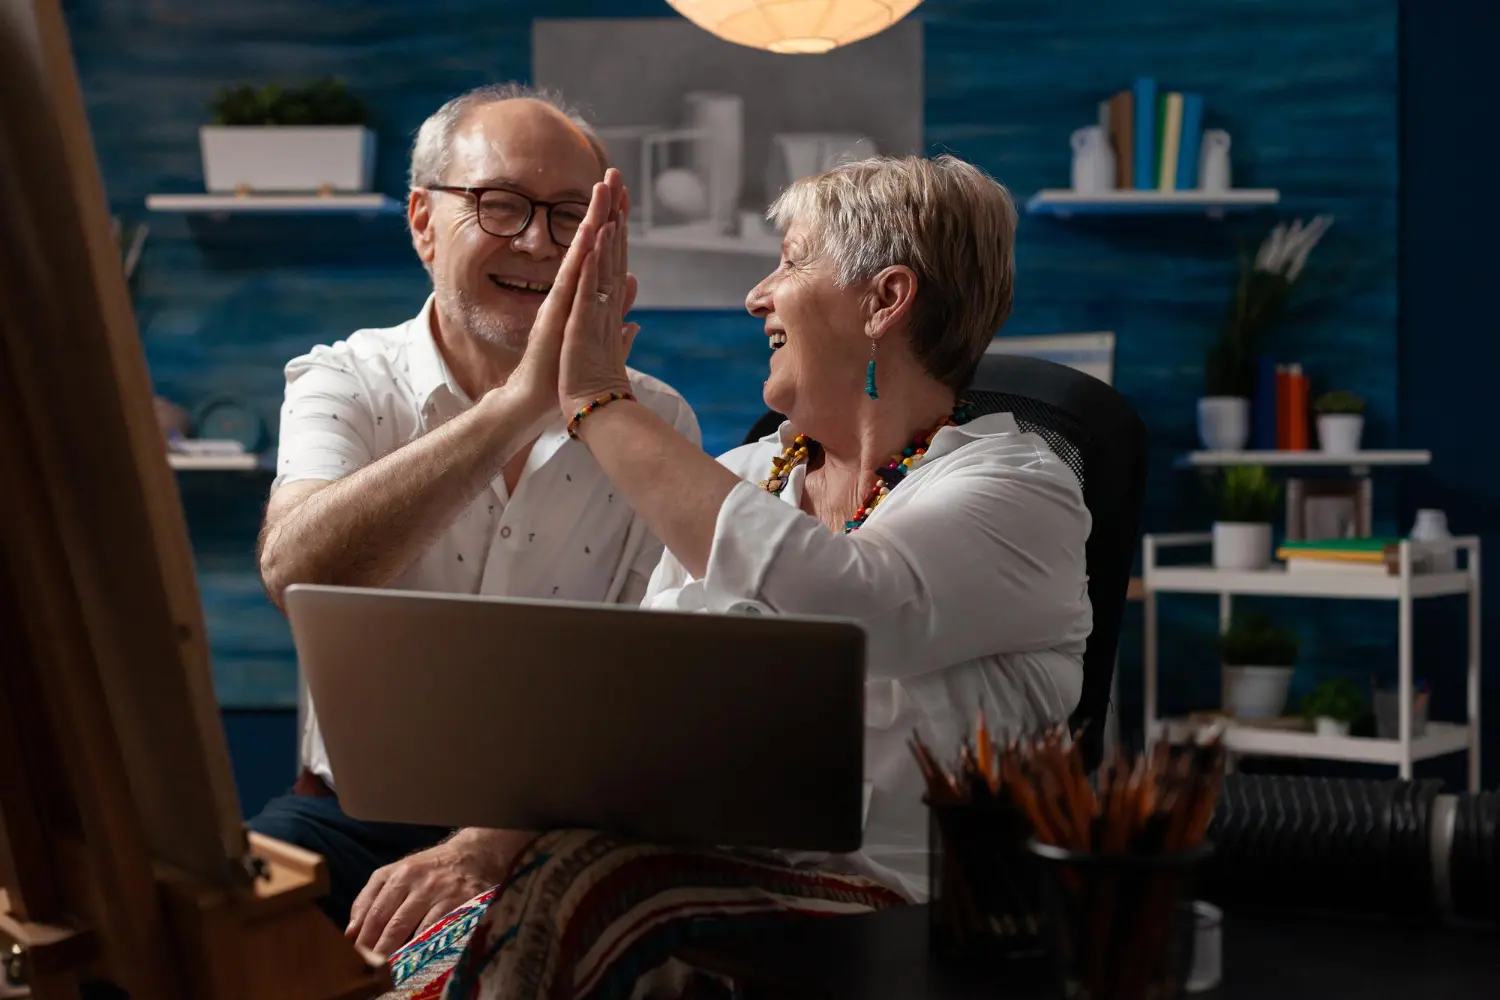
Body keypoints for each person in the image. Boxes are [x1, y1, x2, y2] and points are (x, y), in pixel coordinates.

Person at [377, 155, 1093, 999]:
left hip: (913, 902)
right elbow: (639, 700)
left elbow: (854, 601)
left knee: (594, 889)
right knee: (414, 944)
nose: (759, 295)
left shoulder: (1020, 488)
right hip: (710, 866)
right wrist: (483, 845)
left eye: (792, 261)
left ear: (885, 300)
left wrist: (599, 401)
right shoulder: (749, 473)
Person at [245, 84, 700, 942]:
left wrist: (488, 848)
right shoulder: (343, 379)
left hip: (560, 826)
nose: (537, 242)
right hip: (348, 815)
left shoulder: (659, 420)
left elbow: (651, 687)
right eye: (499, 205)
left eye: (571, 216)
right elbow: (296, 573)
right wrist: (520, 408)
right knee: (203, 937)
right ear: (423, 221)